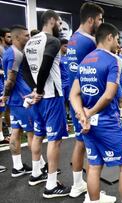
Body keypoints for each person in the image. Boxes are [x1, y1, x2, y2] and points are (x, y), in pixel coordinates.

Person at [70, 22, 122, 203]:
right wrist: (87, 114)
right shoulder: (114, 60)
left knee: (94, 166)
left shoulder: (84, 61)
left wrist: (82, 115)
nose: (118, 44)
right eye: (117, 39)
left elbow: (73, 95)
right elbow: (108, 96)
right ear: (109, 37)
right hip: (107, 123)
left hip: (89, 125)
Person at [23, 10, 70, 198]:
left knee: (38, 135)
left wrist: (34, 89)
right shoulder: (52, 41)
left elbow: (25, 70)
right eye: (59, 23)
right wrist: (40, 90)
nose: (60, 27)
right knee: (54, 140)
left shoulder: (30, 42)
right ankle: (51, 185)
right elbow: (45, 66)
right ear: (51, 21)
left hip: (39, 99)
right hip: (51, 97)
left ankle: (36, 173)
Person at [66, 2, 105, 198]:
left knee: (80, 142)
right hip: (84, 100)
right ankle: (92, 195)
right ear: (91, 20)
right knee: (92, 144)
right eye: (99, 20)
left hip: (74, 98)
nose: (101, 23)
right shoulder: (89, 41)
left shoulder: (73, 38)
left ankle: (77, 186)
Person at [1, 25, 34, 177]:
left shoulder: (14, 52)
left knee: (16, 131)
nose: (29, 38)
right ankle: (39, 169)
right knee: (32, 132)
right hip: (21, 100)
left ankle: (18, 167)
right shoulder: (14, 54)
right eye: (26, 35)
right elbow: (10, 80)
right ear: (17, 37)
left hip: (16, 100)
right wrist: (5, 95)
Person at [0, 27, 11, 146]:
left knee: (5, 110)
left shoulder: (5, 50)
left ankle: (6, 133)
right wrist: (5, 72)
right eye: (8, 36)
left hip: (3, 84)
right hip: (0, 84)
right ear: (2, 38)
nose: (10, 38)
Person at [59, 38, 70, 120]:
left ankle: (69, 115)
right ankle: (63, 117)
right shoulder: (58, 59)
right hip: (61, 83)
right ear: (61, 46)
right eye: (65, 46)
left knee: (70, 101)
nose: (67, 48)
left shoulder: (69, 58)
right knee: (61, 102)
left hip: (69, 83)